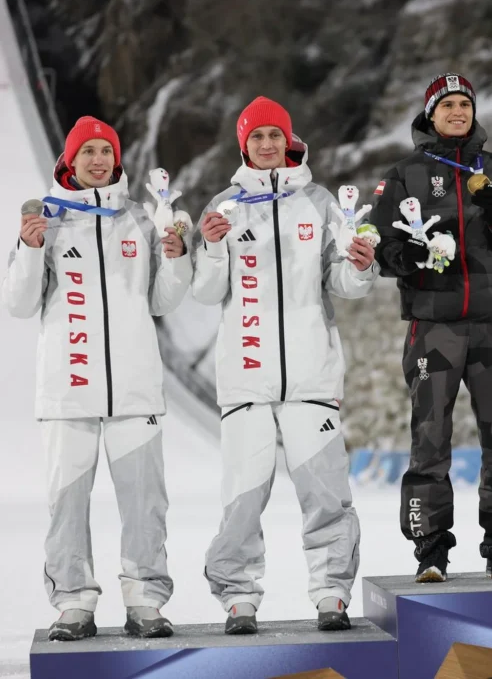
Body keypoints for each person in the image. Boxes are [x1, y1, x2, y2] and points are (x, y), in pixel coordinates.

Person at [2, 116, 192, 640]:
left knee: (145, 505)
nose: (97, 160)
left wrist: (177, 260)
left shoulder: (140, 219)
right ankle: (73, 604)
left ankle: (145, 600)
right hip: (68, 391)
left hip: (135, 389)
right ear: (69, 160)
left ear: (116, 158)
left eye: (105, 151)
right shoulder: (48, 219)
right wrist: (30, 249)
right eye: (86, 151)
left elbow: (163, 300)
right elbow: (19, 303)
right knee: (67, 506)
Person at [193, 97, 377, 634]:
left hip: (310, 377)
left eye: (275, 135)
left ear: (289, 140)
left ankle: (331, 592)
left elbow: (342, 282)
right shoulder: (224, 206)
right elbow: (206, 292)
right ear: (243, 146)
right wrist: (211, 249)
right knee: (242, 499)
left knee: (325, 493)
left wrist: (360, 267)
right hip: (246, 380)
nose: (268, 144)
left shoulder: (319, 202)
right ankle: (238, 597)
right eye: (257, 137)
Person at [369, 73, 492, 583]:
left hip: (491, 324)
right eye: (447, 105)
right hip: (433, 325)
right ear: (431, 114)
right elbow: (380, 246)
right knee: (430, 438)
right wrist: (408, 255)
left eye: (465, 103)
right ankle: (430, 549)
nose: (458, 112)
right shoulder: (405, 174)